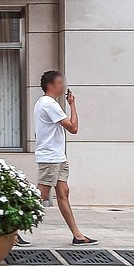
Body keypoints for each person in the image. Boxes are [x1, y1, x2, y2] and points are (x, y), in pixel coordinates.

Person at [34, 70, 96, 246]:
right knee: (41, 195)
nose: (64, 86)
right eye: (61, 83)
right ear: (52, 85)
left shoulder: (45, 103)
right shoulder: (49, 104)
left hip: (57, 157)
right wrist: (73, 106)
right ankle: (12, 230)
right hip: (50, 157)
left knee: (63, 192)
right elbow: (73, 128)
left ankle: (77, 235)